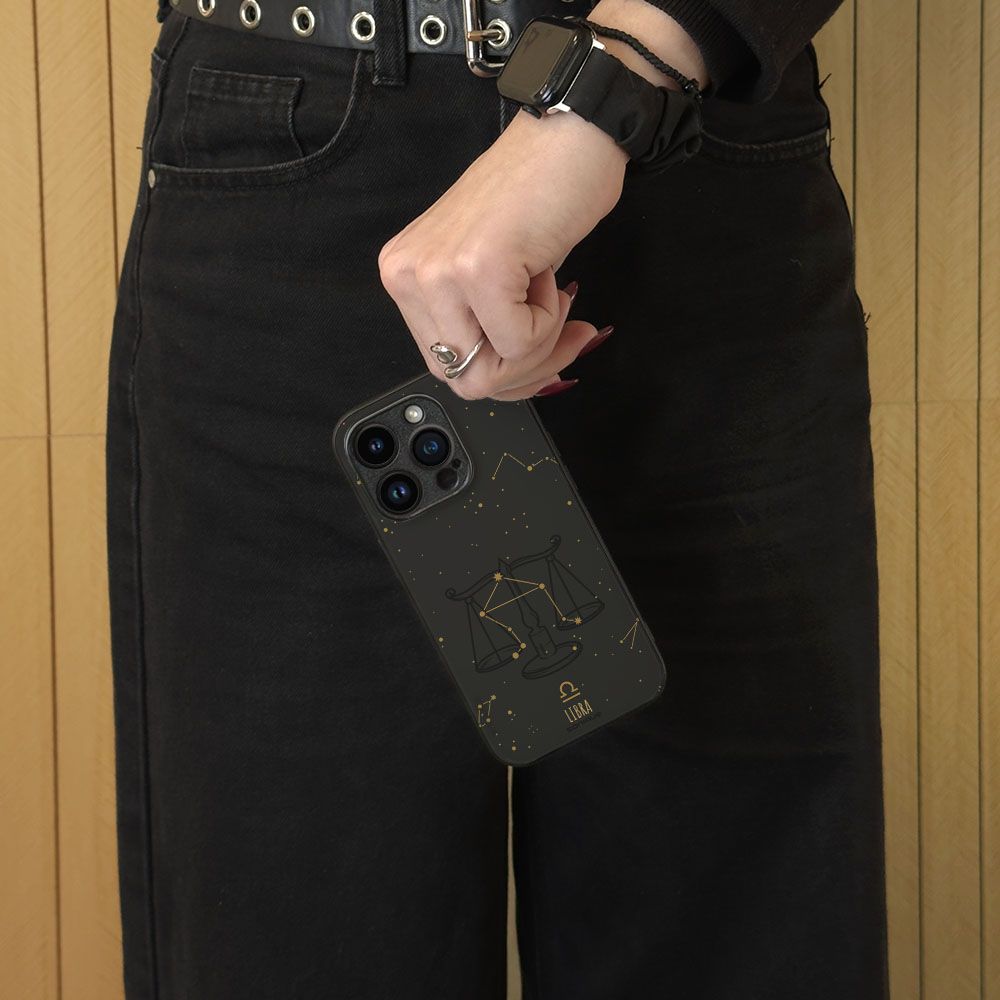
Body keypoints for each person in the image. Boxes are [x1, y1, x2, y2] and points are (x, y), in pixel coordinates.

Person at [105, 0, 889, 995]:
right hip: (288, 155)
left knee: (738, 944)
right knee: (294, 936)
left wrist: (621, 73)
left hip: (695, 130)